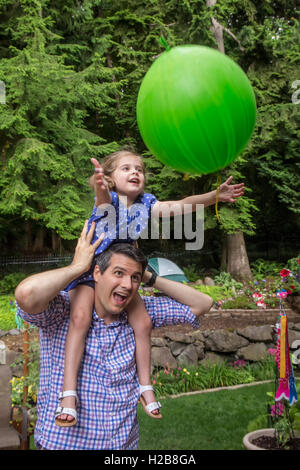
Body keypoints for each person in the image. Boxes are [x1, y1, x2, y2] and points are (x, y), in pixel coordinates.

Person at [57, 150, 245, 426]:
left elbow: (182, 204)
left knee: (143, 322)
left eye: (139, 169)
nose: (135, 173)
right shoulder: (108, 201)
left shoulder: (147, 203)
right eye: (126, 169)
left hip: (124, 279)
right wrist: (99, 184)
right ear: (109, 178)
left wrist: (214, 196)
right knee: (80, 318)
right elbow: (102, 199)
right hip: (90, 275)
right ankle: (68, 393)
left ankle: (145, 386)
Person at [15, 221, 214, 450]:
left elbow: (202, 303)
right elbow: (26, 294)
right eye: (118, 273)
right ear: (97, 273)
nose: (127, 285)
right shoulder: (63, 310)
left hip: (123, 446)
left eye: (134, 278)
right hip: (64, 445)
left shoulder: (142, 312)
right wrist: (78, 267)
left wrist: (149, 277)